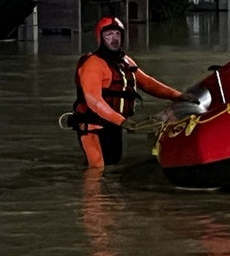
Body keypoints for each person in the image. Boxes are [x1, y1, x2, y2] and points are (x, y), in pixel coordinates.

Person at [71, 16, 187, 169]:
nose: (114, 39)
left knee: (112, 163)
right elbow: (94, 100)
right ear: (100, 37)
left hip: (114, 125)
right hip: (92, 127)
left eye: (117, 34)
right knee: (97, 168)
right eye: (109, 35)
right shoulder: (92, 64)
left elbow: (147, 83)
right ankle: (91, 191)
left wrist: (177, 96)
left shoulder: (125, 61)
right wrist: (124, 122)